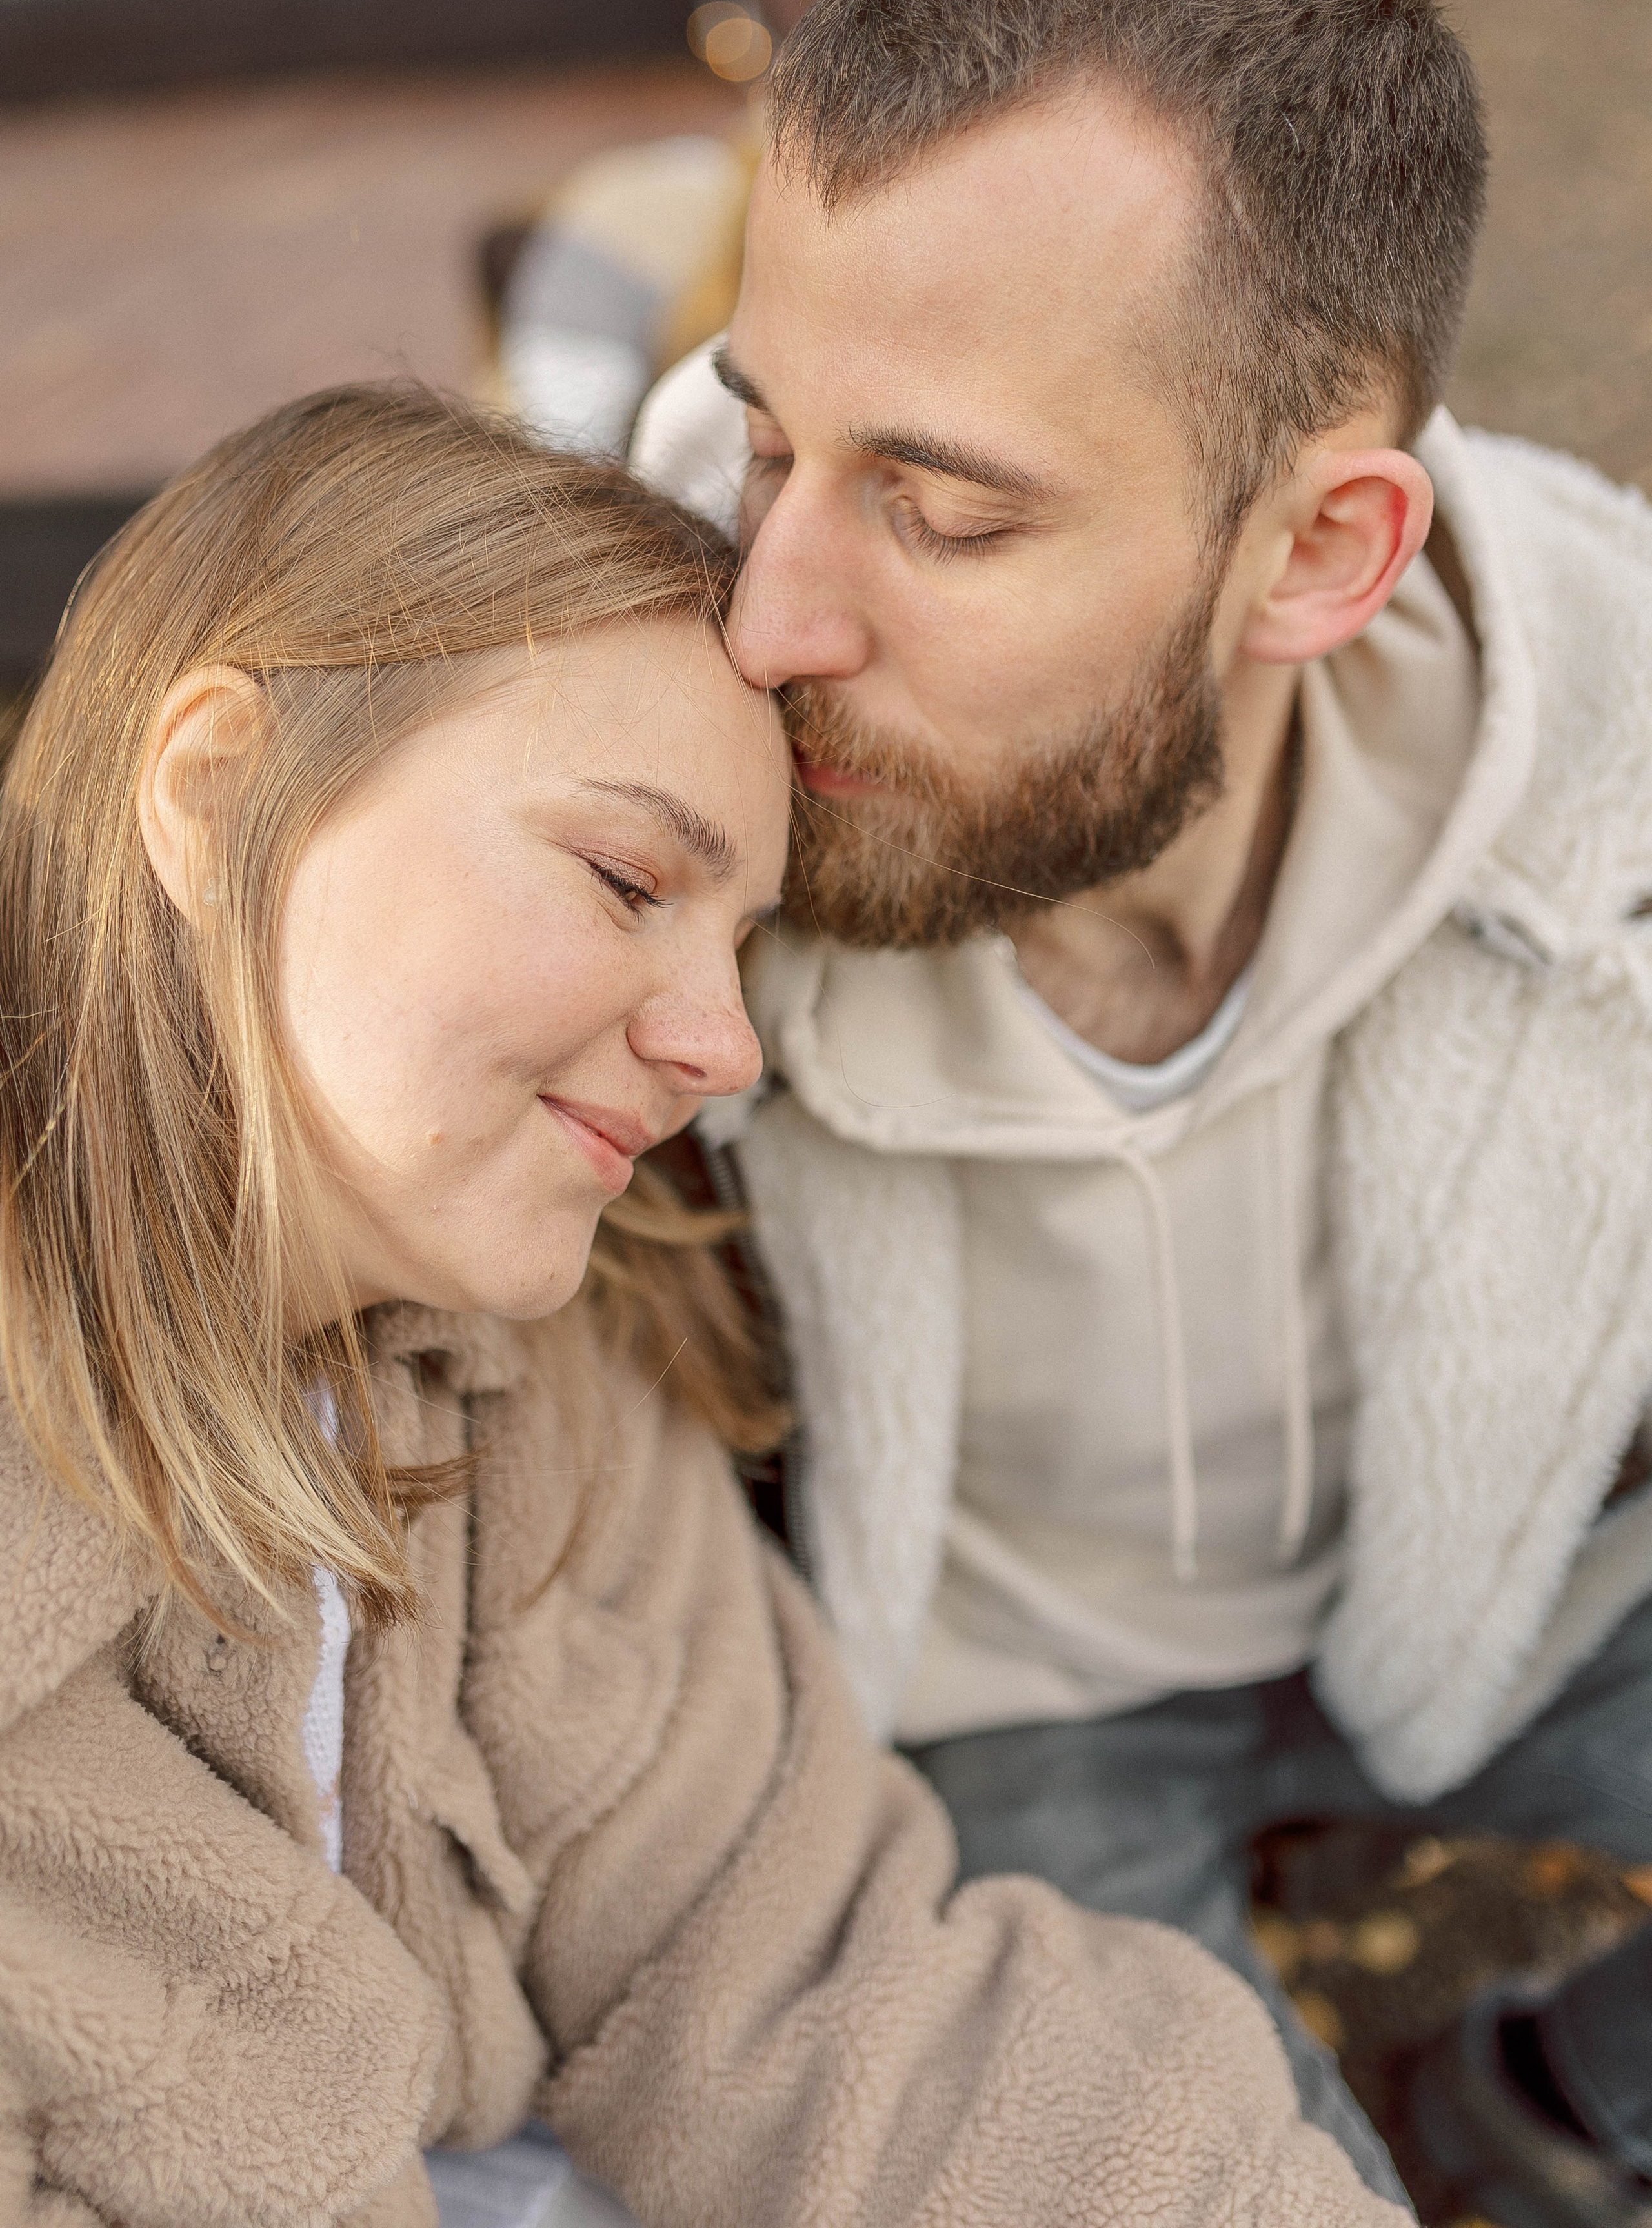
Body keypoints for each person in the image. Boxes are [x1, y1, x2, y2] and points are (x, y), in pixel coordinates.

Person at [0, 383, 1402, 2228]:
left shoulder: (533, 1387)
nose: (723, 1047)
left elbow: (811, 1979)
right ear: (213, 789)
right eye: (624, 880)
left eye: (739, 945)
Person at [629, 0, 1652, 2224]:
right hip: (1004, 1722)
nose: (769, 621)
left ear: (1320, 555)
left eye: (944, 514)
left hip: (1519, 1612)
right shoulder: (609, 780)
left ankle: (1543, 2108)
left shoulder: (1616, 781)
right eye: (771, 443)